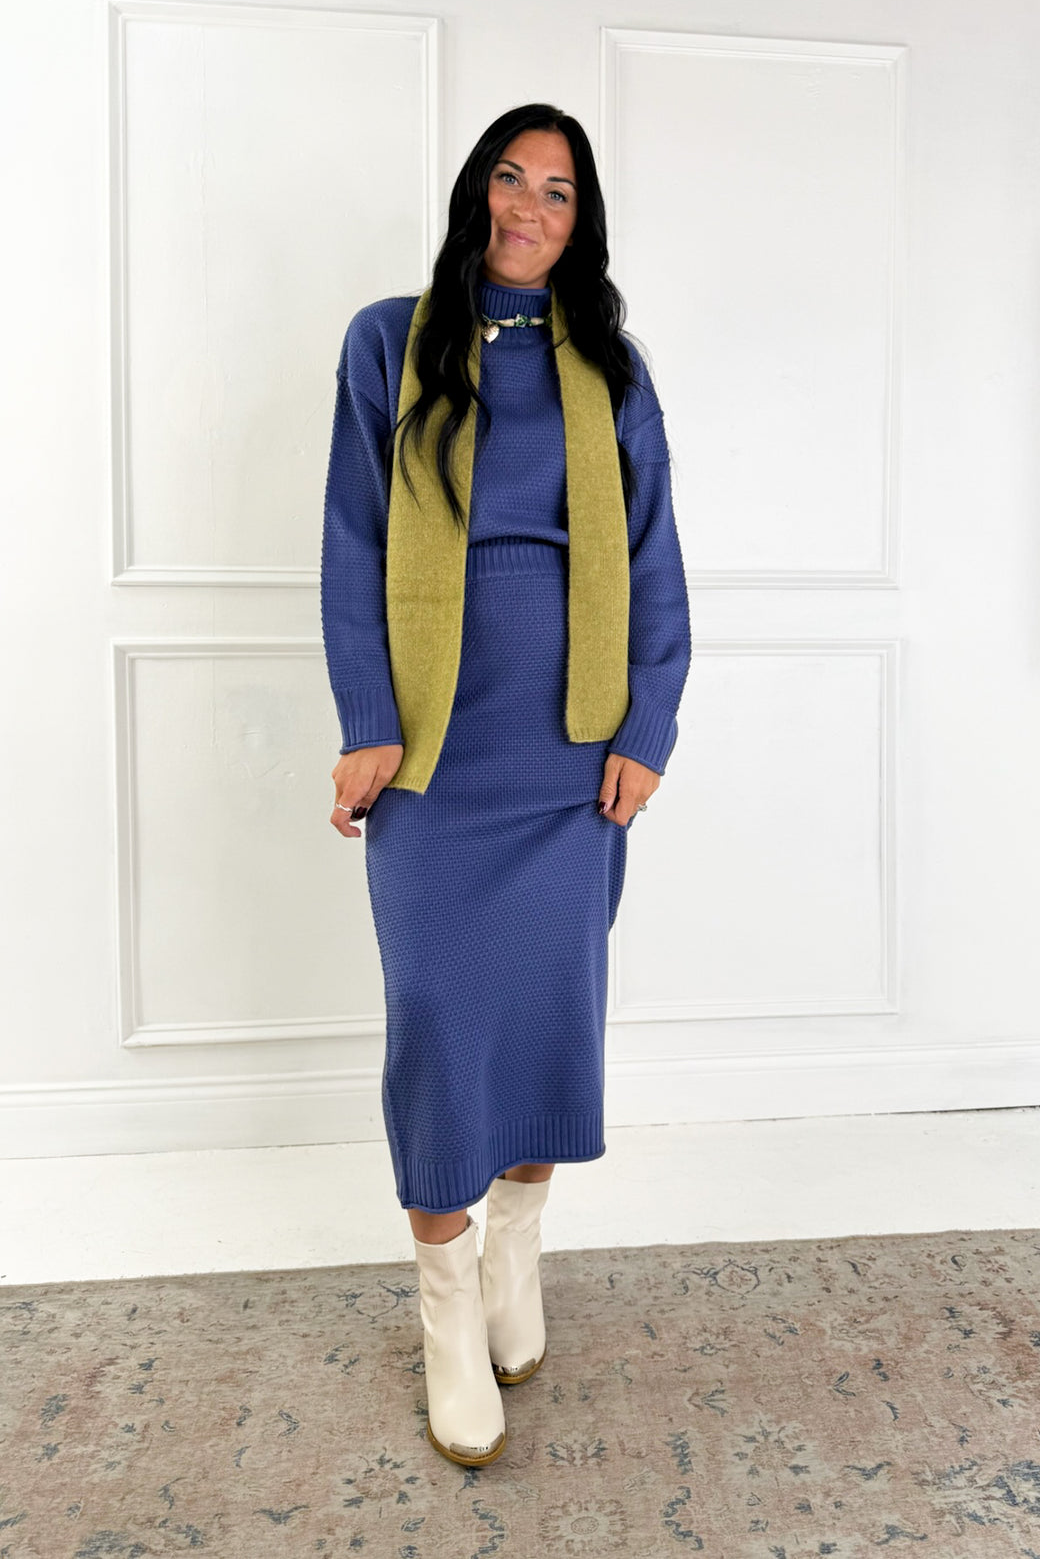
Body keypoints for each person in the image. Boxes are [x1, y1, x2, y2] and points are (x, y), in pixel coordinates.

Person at [320, 102, 692, 1467]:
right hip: (433, 753)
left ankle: (515, 1260)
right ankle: (443, 1308)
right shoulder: (391, 341)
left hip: (571, 755)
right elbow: (353, 535)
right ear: (478, 192)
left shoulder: (611, 366)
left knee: (544, 1014)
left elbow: (654, 556)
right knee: (435, 1023)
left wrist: (647, 726)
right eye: (512, 179)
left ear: (580, 222)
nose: (530, 207)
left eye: (559, 191)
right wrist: (369, 720)